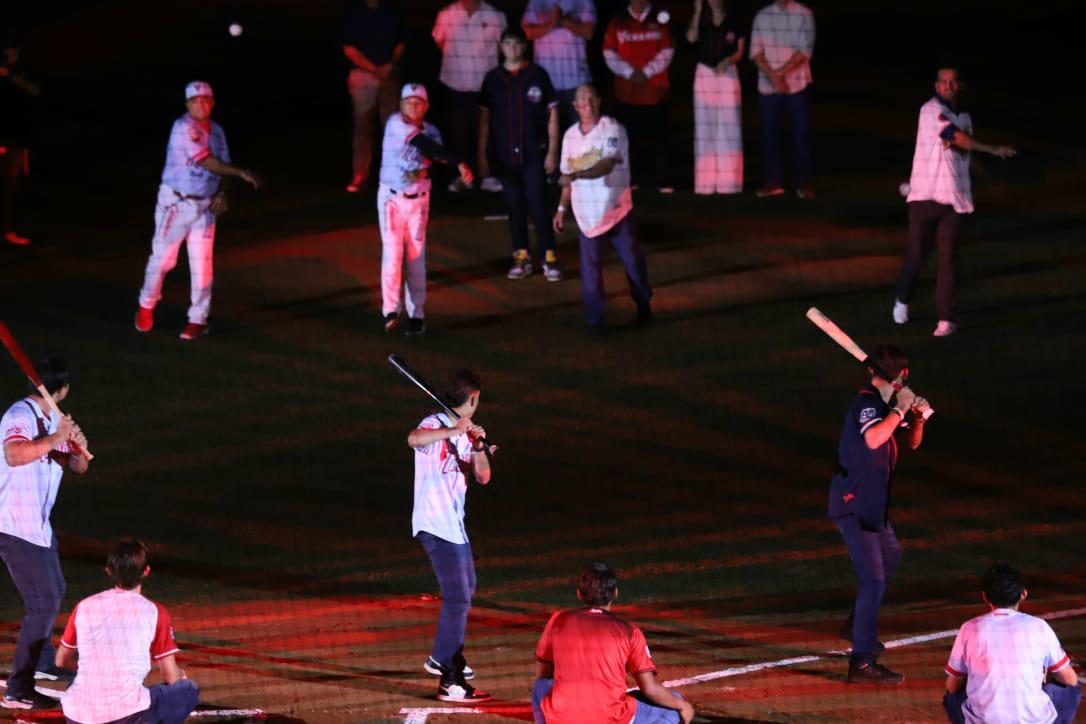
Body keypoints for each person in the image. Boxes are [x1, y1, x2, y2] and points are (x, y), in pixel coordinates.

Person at [828, 345, 930, 684]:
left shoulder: (883, 406)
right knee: (873, 580)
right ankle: (861, 662)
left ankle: (856, 624)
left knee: (892, 555)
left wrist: (916, 419)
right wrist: (900, 410)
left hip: (872, 507)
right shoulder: (868, 404)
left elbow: (912, 443)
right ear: (903, 375)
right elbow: (873, 438)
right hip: (853, 504)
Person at [892, 67, 1016, 337]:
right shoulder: (928, 111)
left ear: (960, 86)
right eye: (943, 82)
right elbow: (955, 137)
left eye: (953, 82)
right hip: (925, 197)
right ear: (937, 86)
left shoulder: (965, 117)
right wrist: (992, 148)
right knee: (917, 254)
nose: (948, 86)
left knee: (948, 260)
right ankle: (902, 300)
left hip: (954, 201)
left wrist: (989, 177)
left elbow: (962, 151)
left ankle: (947, 319)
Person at [134, 81, 262, 341]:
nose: (200, 105)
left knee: (202, 265)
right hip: (178, 203)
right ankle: (146, 304)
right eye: (195, 101)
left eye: (205, 100)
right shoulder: (183, 128)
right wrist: (241, 173)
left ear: (212, 103)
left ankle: (197, 319)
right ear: (187, 105)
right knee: (163, 260)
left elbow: (223, 164)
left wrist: (224, 191)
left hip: (205, 206)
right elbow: (207, 161)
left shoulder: (217, 132)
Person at [0, 357, 90, 710]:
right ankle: (18, 688)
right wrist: (56, 438)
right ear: (63, 389)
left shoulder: (56, 419)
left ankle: (42, 663)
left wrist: (78, 446)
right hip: (11, 524)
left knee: (55, 591)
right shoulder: (18, 416)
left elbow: (78, 466)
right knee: (43, 601)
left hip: (37, 525)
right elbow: (14, 454)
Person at [408, 370, 495, 703]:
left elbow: (483, 476)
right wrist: (451, 430)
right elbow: (413, 439)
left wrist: (477, 446)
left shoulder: (467, 432)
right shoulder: (433, 423)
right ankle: (447, 672)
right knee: (458, 598)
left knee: (466, 589)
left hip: (453, 525)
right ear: (472, 398)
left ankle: (444, 657)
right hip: (434, 523)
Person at [56, 539, 200, 724]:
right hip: (127, 716)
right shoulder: (155, 611)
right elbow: (170, 676)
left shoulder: (84, 606)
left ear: (108, 570)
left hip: (77, 716)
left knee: (77, 683)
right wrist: (181, 676)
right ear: (146, 571)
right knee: (188, 690)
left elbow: (61, 660)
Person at [532, 563, 695, 724]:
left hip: (563, 719)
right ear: (615, 593)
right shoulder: (629, 631)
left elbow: (543, 674)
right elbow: (649, 688)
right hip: (612, 718)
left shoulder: (558, 620)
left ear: (579, 594)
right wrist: (683, 706)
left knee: (541, 686)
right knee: (673, 707)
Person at [553, 84, 653, 330]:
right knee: (590, 268)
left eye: (591, 98)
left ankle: (643, 303)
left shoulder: (613, 129)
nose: (587, 103)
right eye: (581, 100)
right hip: (587, 214)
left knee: (632, 262)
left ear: (598, 101)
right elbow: (566, 178)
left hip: (616, 209)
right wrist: (561, 209)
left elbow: (606, 165)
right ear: (575, 106)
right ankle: (595, 319)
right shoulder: (569, 137)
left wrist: (576, 175)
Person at [377, 83, 474, 335]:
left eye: (418, 102)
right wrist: (459, 162)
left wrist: (426, 168)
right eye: (408, 101)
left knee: (416, 259)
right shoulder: (395, 123)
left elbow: (435, 157)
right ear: (401, 105)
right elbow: (427, 148)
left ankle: (417, 315)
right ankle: (390, 310)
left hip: (420, 200)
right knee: (392, 254)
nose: (413, 105)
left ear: (426, 106)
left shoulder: (432, 130)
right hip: (392, 199)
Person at [944, 564, 1081, 724]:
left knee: (953, 695)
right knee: (1071, 689)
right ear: (1023, 594)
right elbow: (1069, 679)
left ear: (985, 597)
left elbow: (953, 686)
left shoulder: (969, 628)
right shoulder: (1039, 626)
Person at [478, 27, 563, 281]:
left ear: (524, 46)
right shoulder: (492, 79)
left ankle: (549, 256)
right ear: (501, 46)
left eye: (517, 43)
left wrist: (553, 152)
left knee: (538, 205)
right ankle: (521, 256)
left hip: (534, 154)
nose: (512, 48)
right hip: (505, 157)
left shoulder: (538, 75)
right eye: (508, 43)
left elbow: (553, 115)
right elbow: (484, 119)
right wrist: (481, 154)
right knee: (514, 207)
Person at [432, 0, 507, 192]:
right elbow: (440, 42)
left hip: (486, 86)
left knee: (488, 133)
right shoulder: (446, 14)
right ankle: (460, 177)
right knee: (458, 134)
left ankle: (489, 176)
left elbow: (502, 47)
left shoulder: (495, 16)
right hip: (455, 84)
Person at [602, 0, 675, 192]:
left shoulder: (660, 19)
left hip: (655, 92)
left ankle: (664, 180)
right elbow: (608, 51)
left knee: (660, 138)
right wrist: (628, 72)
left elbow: (668, 50)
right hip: (627, 92)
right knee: (629, 138)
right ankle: (631, 180)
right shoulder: (618, 21)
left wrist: (647, 71)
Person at [749, 0, 815, 198]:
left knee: (801, 136)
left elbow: (805, 51)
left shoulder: (804, 13)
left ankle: (803, 184)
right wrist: (774, 76)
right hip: (769, 85)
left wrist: (780, 74)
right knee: (770, 135)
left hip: (797, 83)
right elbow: (755, 52)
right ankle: (773, 182)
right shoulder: (762, 15)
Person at [342, 0, 406, 193]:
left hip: (389, 75)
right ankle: (360, 175)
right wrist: (372, 69)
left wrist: (389, 66)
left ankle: (395, 175)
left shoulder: (392, 10)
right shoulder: (352, 12)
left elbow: (401, 42)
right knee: (363, 128)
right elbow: (348, 47)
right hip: (362, 76)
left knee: (393, 129)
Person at [686, 0, 745, 194]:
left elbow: (740, 50)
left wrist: (728, 61)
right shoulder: (702, 19)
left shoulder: (735, 18)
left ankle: (730, 184)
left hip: (727, 74)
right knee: (705, 128)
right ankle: (705, 185)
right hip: (704, 73)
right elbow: (691, 38)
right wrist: (697, 11)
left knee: (729, 128)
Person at [521, 0, 596, 132]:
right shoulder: (536, 3)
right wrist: (552, 22)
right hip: (546, 84)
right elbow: (527, 32)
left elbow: (588, 32)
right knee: (548, 137)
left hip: (577, 83)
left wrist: (562, 19)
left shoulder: (583, 2)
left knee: (582, 134)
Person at [0, 36, 40, 246]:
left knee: (11, 186)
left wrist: (11, 77)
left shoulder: (20, 73)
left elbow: (34, 91)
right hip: (5, 137)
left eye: (13, 52)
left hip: (17, 139)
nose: (10, 56)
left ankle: (7, 230)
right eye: (7, 52)